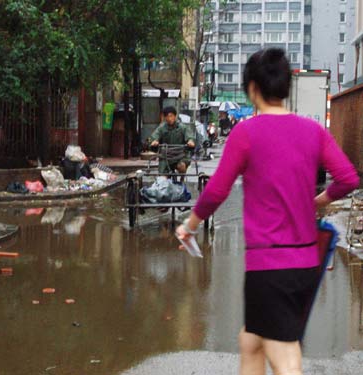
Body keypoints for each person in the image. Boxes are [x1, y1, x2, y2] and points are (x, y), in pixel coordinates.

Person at [176, 48, 359, 375]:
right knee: (251, 340)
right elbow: (347, 178)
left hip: (270, 267)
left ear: (252, 88)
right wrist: (319, 201)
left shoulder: (246, 132)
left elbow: (217, 189)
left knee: (284, 353)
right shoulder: (314, 131)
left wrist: (189, 224)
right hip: (305, 264)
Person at [150, 106, 195, 175]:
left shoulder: (182, 127)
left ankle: (182, 180)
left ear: (175, 116)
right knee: (163, 177)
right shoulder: (162, 128)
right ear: (165, 118)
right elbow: (155, 136)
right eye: (167, 117)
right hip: (166, 156)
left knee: (181, 167)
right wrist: (154, 141)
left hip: (181, 155)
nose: (169, 119)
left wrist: (190, 141)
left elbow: (189, 137)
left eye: (171, 116)